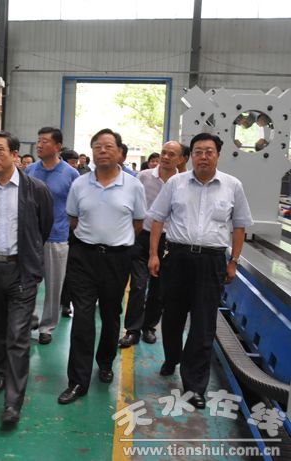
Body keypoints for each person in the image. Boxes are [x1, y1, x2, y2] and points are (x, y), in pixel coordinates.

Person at [148, 132, 253, 409]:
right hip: (177, 258)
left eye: (208, 151)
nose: (203, 156)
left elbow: (240, 226)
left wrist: (234, 261)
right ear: (190, 156)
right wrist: (154, 254)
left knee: (204, 324)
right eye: (198, 151)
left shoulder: (232, 186)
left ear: (217, 155)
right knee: (172, 316)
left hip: (212, 261)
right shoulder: (176, 183)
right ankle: (172, 357)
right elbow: (157, 218)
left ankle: (194, 386)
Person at [58, 128, 146, 405]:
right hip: (84, 257)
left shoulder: (133, 186)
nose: (103, 151)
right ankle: (77, 381)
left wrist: (115, 240)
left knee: (110, 314)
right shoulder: (79, 184)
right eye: (97, 146)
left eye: (108, 146)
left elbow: (138, 223)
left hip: (117, 259)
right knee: (83, 318)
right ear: (92, 152)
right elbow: (73, 219)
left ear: (120, 152)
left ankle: (105, 362)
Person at [0, 131, 53, 425]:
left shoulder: (36, 189)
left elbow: (43, 227)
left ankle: (12, 402)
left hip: (21, 270)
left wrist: (30, 262)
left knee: (18, 336)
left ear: (15, 155)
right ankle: (2, 375)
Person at [118, 141, 184, 348]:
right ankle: (132, 330)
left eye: (171, 154)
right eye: (164, 152)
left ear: (180, 159)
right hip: (142, 237)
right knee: (138, 285)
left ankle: (149, 327)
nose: (165, 157)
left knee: (159, 289)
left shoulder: (183, 182)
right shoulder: (144, 177)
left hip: (168, 241)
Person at [26, 127, 79, 345]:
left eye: (45, 141)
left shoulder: (71, 174)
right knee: (27, 283)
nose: (39, 145)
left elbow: (76, 208)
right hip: (31, 238)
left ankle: (47, 327)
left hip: (57, 237)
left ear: (57, 147)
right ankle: (29, 320)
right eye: (38, 140)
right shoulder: (30, 170)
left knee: (54, 286)